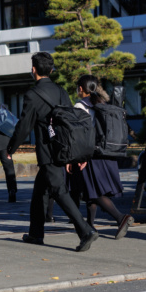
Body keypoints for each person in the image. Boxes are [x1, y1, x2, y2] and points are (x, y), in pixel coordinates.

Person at [8, 52, 98, 252]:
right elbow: (70, 124)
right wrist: (72, 154)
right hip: (62, 148)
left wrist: (10, 149)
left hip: (47, 151)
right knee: (39, 191)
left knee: (58, 191)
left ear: (34, 70)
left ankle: (85, 230)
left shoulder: (32, 95)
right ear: (51, 70)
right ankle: (35, 234)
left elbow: (24, 126)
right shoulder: (61, 91)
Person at [67, 75, 134, 240]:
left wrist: (76, 157)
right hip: (106, 153)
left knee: (94, 192)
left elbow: (80, 135)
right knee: (91, 192)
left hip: (91, 156)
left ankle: (120, 217)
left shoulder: (80, 106)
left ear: (81, 88)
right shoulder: (101, 103)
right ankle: (90, 226)